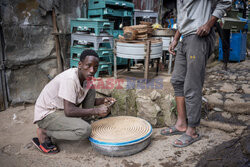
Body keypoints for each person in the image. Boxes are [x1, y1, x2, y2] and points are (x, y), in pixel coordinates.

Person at [161, 0, 232, 147]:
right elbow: (183, 18)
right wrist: (175, 39)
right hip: (184, 38)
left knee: (191, 84)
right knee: (177, 80)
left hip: (199, 36)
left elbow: (226, 1)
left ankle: (192, 130)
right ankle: (181, 124)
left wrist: (209, 24)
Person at [32, 49, 115, 153]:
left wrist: (104, 100)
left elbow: (83, 98)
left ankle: (85, 122)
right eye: (88, 65)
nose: (92, 70)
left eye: (95, 67)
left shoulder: (85, 79)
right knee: (85, 130)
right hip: (47, 114)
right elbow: (69, 111)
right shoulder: (70, 79)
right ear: (80, 65)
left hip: (61, 109)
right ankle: (45, 133)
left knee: (91, 87)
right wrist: (96, 111)